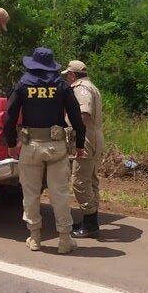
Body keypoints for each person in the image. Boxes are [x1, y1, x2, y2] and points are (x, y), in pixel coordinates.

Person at [3, 47, 86, 254]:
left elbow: (9, 115)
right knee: (59, 193)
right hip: (56, 146)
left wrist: (11, 142)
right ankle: (65, 240)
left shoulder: (23, 84)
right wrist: (80, 144)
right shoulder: (61, 85)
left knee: (30, 194)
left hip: (30, 146)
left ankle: (35, 237)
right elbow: (76, 116)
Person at [62, 60, 104, 239]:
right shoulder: (92, 86)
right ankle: (91, 221)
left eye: (67, 75)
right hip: (95, 136)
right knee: (91, 180)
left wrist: (73, 131)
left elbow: (83, 114)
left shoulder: (81, 88)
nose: (66, 79)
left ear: (72, 75)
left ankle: (90, 224)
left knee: (80, 181)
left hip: (86, 137)